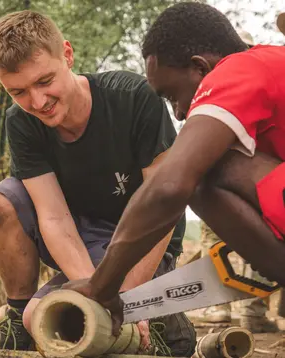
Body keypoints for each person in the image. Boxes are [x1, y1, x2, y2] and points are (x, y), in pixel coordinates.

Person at [62, 1, 285, 336]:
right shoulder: (268, 63)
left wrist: (101, 284)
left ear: (199, 68)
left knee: (202, 172)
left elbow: (169, 187)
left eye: (170, 96)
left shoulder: (237, 70)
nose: (178, 114)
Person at [0, 10, 196, 356]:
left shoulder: (134, 98)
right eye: (18, 91)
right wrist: (99, 296)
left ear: (67, 55)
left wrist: (126, 299)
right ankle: (17, 313)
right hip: (79, 239)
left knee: (53, 316)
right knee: (3, 202)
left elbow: (163, 206)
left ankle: (161, 323)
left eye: (44, 81)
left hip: (138, 238)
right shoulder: (20, 121)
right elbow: (53, 217)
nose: (37, 102)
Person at [200, 29, 278, 333]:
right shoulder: (233, 80)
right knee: (243, 240)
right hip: (236, 178)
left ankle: (237, 309)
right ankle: (245, 310)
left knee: (234, 241)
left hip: (232, 176)